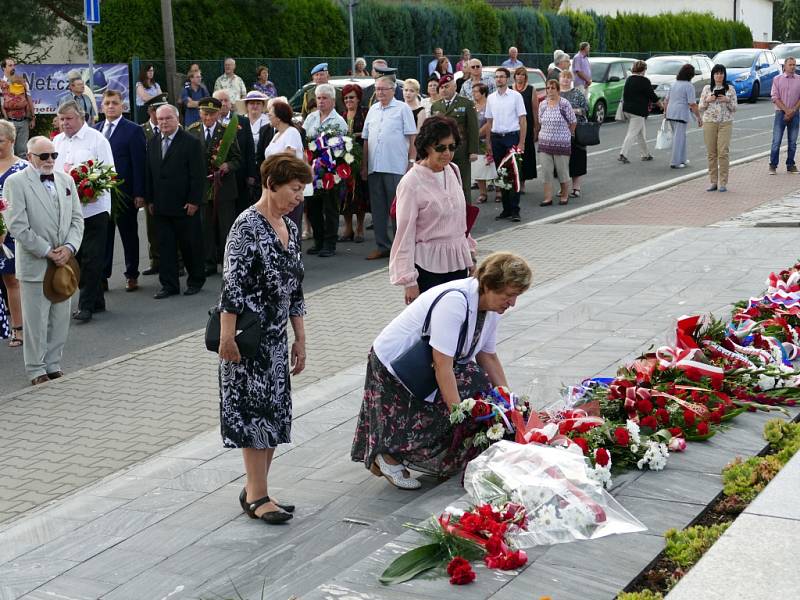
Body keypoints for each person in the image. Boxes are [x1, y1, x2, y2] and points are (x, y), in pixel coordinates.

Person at [351, 252, 533, 487]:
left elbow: (487, 356)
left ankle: (439, 451)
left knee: (480, 386)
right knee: (460, 400)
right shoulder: (455, 302)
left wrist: (508, 404)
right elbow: (442, 365)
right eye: (509, 295)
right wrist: (459, 414)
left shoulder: (491, 308)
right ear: (489, 285)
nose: (513, 303)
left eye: (516, 296)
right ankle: (387, 456)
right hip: (397, 365)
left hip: (433, 363)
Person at [218, 153, 311, 524]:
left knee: (273, 414)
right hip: (248, 339)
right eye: (294, 189)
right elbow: (232, 287)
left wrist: (300, 337)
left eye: (302, 190)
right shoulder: (246, 226)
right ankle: (257, 495)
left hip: (275, 339)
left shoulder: (288, 226)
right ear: (272, 184)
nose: (299, 196)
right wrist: (227, 339)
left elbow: (297, 290)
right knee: (253, 415)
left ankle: (258, 489)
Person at [5, 136, 84, 385]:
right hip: (36, 262)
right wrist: (48, 251)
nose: (50, 161)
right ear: (30, 157)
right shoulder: (15, 182)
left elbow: (77, 220)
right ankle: (36, 369)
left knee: (60, 318)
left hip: (64, 263)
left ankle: (53, 364)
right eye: (44, 156)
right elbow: (17, 225)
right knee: (36, 320)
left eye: (53, 156)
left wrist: (69, 248)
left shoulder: (66, 179)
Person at [390, 115, 477, 305]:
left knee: (458, 323)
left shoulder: (453, 170)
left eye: (452, 147)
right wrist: (409, 280)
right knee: (432, 328)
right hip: (428, 268)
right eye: (441, 148)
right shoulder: (411, 182)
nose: (447, 153)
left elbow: (461, 221)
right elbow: (405, 233)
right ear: (427, 146)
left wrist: (471, 258)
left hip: (458, 263)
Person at [53, 100, 115, 323]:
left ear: (81, 117)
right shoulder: (57, 142)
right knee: (77, 258)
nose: (64, 123)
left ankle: (85, 306)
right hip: (68, 211)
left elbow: (109, 173)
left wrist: (89, 189)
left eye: (68, 119)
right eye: (61, 119)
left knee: (92, 257)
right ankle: (97, 300)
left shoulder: (96, 140)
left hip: (94, 209)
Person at [144, 104, 206, 299]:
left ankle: (196, 280)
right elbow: (151, 174)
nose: (163, 122)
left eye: (168, 118)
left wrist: (194, 201)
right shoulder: (153, 142)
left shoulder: (191, 142)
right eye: (160, 119)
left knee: (190, 245)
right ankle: (169, 285)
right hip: (161, 206)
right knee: (166, 247)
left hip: (185, 205)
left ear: (177, 119)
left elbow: (198, 175)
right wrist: (150, 200)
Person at [361, 76, 418, 260]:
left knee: (398, 208)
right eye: (377, 89)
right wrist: (364, 164)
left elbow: (412, 138)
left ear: (394, 90)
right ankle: (383, 245)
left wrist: (411, 162)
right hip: (375, 167)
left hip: (396, 166)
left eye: (384, 89)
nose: (380, 92)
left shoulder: (402, 109)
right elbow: (366, 139)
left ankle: (401, 247)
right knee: (378, 209)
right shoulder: (373, 110)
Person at [97, 90, 147, 293]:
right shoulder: (96, 129)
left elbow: (138, 164)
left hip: (125, 193)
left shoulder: (133, 130)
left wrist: (139, 193)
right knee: (104, 236)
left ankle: (131, 274)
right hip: (101, 195)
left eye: (115, 103)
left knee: (128, 234)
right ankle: (103, 275)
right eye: (107, 103)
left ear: (122, 106)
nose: (110, 106)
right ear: (102, 106)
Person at [186, 97, 242, 275]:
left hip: (224, 188)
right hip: (203, 188)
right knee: (206, 227)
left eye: (211, 114)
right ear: (199, 113)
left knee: (226, 227)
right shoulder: (192, 131)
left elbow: (237, 159)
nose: (207, 117)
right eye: (204, 113)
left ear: (219, 113)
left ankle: (228, 262)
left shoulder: (227, 131)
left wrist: (228, 166)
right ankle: (209, 262)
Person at [303, 84, 348, 258]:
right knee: (313, 207)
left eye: (324, 98)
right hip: (313, 171)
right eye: (319, 98)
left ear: (332, 100)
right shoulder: (311, 118)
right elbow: (305, 140)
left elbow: (343, 148)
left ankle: (330, 243)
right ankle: (319, 241)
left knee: (330, 208)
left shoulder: (339, 121)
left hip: (331, 170)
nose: (321, 101)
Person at [485, 67, 527, 222]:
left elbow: (523, 120)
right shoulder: (491, 98)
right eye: (496, 77)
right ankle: (506, 209)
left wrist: (521, 142)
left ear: (508, 79)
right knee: (501, 174)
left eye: (502, 77)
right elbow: (489, 121)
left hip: (512, 138)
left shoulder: (516, 97)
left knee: (513, 174)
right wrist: (488, 142)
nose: (499, 79)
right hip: (497, 139)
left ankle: (515, 210)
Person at [260, 100, 307, 234]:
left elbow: (288, 160)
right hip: (274, 186)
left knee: (289, 226)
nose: (268, 116)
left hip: (288, 186)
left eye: (271, 114)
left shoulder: (292, 132)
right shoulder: (276, 135)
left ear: (279, 117)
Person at [430, 73, 479, 201]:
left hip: (460, 150)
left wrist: (473, 151)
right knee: (442, 183)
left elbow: (473, 129)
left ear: (455, 87)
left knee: (462, 182)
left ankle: (466, 213)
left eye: (447, 86)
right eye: (441, 87)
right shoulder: (436, 106)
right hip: (440, 151)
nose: (444, 90)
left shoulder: (466, 103)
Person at [0, 119, 26, 348]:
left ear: (11, 140)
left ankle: (19, 328)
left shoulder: (23, 168)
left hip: (13, 234)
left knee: (13, 280)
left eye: (0, 140)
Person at [140, 93, 170, 276]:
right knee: (152, 227)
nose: (162, 117)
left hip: (171, 186)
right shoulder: (142, 130)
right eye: (158, 112)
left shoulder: (175, 128)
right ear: (151, 111)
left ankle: (178, 261)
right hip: (152, 185)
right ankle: (156, 260)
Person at [214, 89, 256, 217]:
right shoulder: (210, 123)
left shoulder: (242, 121)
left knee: (241, 212)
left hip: (239, 175)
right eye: (220, 101)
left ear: (231, 103)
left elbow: (249, 149)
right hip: (217, 177)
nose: (223, 103)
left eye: (226, 100)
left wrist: (251, 174)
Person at [538, 79, 577, 206]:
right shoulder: (543, 104)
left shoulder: (564, 104)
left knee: (562, 171)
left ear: (558, 90)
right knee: (546, 171)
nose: (550, 90)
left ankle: (564, 195)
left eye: (553, 88)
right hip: (544, 143)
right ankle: (547, 197)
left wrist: (568, 135)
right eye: (548, 88)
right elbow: (540, 121)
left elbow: (573, 121)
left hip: (561, 144)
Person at [699, 64, 737, 192]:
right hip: (709, 122)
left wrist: (727, 99)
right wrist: (708, 100)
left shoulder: (730, 89)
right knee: (711, 153)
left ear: (724, 75)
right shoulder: (706, 89)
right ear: (713, 75)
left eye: (721, 73)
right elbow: (700, 107)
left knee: (723, 152)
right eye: (716, 73)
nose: (719, 76)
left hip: (725, 122)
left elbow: (735, 108)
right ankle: (713, 182)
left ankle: (723, 183)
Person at [339, 83, 370, 243]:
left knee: (359, 194)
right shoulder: (342, 115)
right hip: (344, 160)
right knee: (344, 194)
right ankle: (348, 227)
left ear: (358, 98)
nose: (348, 100)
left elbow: (368, 134)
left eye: (351, 97)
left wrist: (355, 135)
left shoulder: (365, 113)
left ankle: (359, 228)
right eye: (346, 98)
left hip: (359, 158)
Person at [619, 60, 661, 164]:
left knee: (641, 133)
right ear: (642, 70)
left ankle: (645, 154)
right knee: (632, 133)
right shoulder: (644, 81)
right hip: (637, 111)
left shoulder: (629, 79)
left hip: (627, 109)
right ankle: (623, 153)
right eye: (645, 69)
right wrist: (661, 105)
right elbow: (652, 95)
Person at [664, 64, 702, 169]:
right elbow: (692, 104)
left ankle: (683, 159)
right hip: (680, 114)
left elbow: (666, 100)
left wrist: (665, 112)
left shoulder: (674, 84)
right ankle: (675, 162)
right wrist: (699, 117)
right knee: (679, 138)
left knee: (680, 137)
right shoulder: (689, 86)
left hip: (671, 113)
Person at [559, 70, 588, 198]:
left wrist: (573, 110)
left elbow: (586, 109)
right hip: (558, 132)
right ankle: (563, 188)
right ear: (559, 79)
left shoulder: (577, 93)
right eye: (563, 77)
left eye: (568, 78)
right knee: (560, 162)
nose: (565, 80)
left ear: (571, 80)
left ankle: (576, 187)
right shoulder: (555, 93)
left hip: (576, 131)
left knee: (576, 159)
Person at [769, 56, 800, 175]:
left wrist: (793, 110)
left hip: (795, 113)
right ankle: (773, 165)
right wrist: (786, 110)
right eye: (790, 65)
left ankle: (790, 164)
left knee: (792, 141)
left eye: (794, 65)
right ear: (785, 66)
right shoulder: (777, 79)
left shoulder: (799, 79)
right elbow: (775, 97)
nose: (793, 67)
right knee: (776, 141)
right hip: (780, 113)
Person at [512, 67, 539, 191]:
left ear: (525, 77)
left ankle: (522, 182)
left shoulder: (531, 89)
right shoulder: (510, 89)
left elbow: (534, 109)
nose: (520, 77)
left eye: (522, 75)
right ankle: (514, 179)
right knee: (513, 153)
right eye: (518, 74)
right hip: (512, 125)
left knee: (525, 153)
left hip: (526, 124)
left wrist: (536, 126)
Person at [471, 83, 498, 204]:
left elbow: (489, 123)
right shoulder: (472, 106)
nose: (474, 94)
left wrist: (477, 134)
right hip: (475, 143)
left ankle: (499, 191)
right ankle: (483, 193)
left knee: (493, 167)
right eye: (473, 91)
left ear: (483, 93)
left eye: (476, 91)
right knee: (478, 167)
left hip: (488, 139)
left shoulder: (490, 105)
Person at [0, 75, 35, 158]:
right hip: (10, 122)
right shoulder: (4, 89)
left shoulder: (24, 89)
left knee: (22, 151)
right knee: (9, 149)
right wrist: (5, 119)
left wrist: (33, 118)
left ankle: (21, 169)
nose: (23, 83)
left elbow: (29, 103)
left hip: (23, 122)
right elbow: (2, 105)